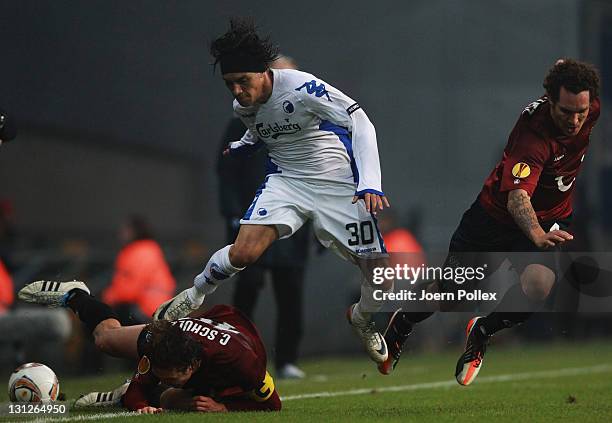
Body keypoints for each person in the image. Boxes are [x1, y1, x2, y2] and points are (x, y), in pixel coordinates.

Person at [154, 18, 393, 365]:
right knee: (244, 253)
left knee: (380, 277)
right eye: (230, 83)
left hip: (338, 186)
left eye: (243, 81)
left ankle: (360, 317)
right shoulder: (242, 107)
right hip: (287, 182)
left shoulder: (302, 87)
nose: (236, 90)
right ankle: (193, 296)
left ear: (264, 72)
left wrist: (370, 181)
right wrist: (243, 145)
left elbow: (359, 119)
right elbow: (261, 129)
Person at [380, 59, 601, 384]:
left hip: (551, 218)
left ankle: (482, 332)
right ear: (551, 101)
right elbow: (517, 199)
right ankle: (404, 322)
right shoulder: (533, 136)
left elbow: (571, 78)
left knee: (539, 287)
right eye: (567, 111)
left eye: (581, 110)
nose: (576, 119)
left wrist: (564, 67)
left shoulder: (589, 106)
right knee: (452, 293)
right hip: (494, 220)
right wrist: (537, 234)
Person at [18, 280, 281, 413]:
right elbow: (140, 390)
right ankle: (75, 294)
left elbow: (273, 405)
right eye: (159, 374)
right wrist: (140, 402)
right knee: (105, 340)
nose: (166, 378)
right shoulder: (157, 346)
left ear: (193, 365)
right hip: (182, 331)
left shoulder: (246, 366)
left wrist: (225, 408)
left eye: (172, 377)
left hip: (231, 337)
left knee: (177, 399)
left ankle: (122, 396)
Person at [219, 55, 310, 379]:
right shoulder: (243, 118)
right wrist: (232, 214)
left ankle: (287, 360)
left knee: (291, 294)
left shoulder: (308, 117)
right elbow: (227, 171)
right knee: (249, 288)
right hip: (253, 219)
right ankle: (233, 356)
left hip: (293, 225)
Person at [103, 215, 176, 324]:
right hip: (156, 308)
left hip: (147, 310)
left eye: (125, 229)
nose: (121, 233)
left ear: (134, 231)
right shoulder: (148, 249)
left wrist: (108, 297)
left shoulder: (140, 252)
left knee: (103, 319)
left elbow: (130, 289)